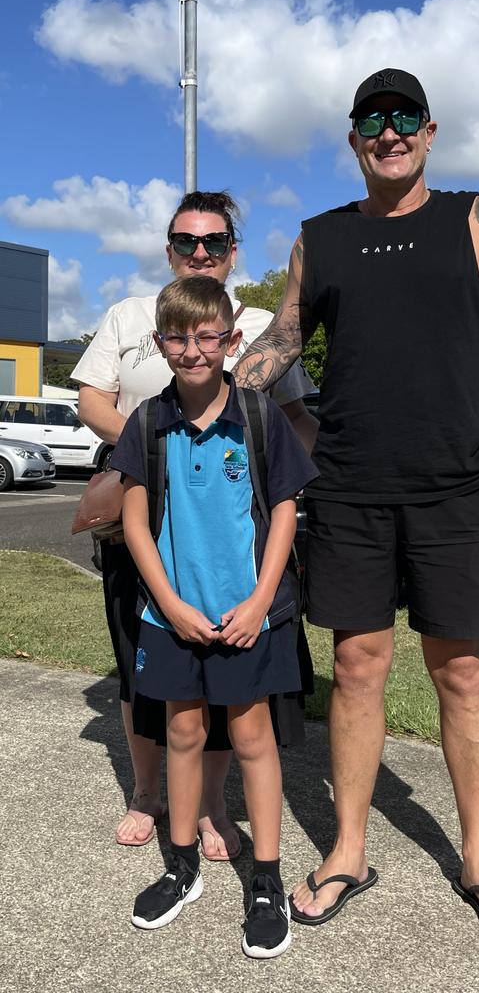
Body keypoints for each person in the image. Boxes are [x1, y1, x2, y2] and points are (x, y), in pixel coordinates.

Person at [233, 69, 479, 945]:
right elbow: (284, 339)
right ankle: (349, 850)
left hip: (456, 487)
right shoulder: (320, 238)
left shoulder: (478, 220)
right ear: (354, 137)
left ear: (430, 131)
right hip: (351, 486)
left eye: (405, 118)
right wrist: (209, 390)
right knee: (358, 666)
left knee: (463, 671)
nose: (390, 132)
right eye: (373, 120)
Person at [71, 191, 318, 856]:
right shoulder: (130, 315)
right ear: (169, 248)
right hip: (140, 518)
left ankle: (212, 806)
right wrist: (155, 449)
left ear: (234, 250)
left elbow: (294, 419)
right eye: (186, 241)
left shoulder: (263, 325)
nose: (200, 252)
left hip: (233, 530)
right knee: (140, 660)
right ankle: (145, 793)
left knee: (229, 668)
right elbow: (91, 395)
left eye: (214, 242)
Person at [110, 275, 318, 956]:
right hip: (173, 620)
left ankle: (265, 881)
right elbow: (135, 522)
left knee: (254, 740)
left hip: (247, 619)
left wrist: (261, 600)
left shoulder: (257, 417)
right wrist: (167, 603)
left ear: (232, 340)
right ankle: (182, 867)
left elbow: (285, 507)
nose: (193, 350)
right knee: (184, 734)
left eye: (207, 337)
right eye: (178, 336)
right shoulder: (147, 421)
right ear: (159, 342)